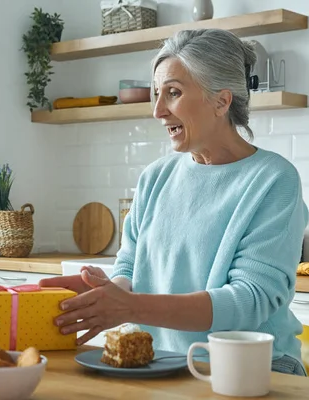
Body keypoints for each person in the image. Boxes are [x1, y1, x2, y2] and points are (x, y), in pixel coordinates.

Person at [40, 28, 309, 376]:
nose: (157, 111)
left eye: (173, 93)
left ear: (221, 101)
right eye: (156, 94)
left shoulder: (274, 179)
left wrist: (131, 307)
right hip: (162, 365)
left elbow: (249, 299)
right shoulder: (155, 177)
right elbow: (129, 269)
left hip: (253, 370)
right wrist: (107, 292)